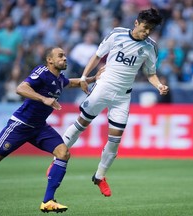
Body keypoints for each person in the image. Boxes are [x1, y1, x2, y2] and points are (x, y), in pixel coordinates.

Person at [0, 47, 100, 213]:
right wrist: (44, 98)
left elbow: (73, 83)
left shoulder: (59, 79)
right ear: (50, 60)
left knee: (63, 153)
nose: (65, 58)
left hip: (39, 127)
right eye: (60, 56)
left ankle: (48, 201)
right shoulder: (42, 71)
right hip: (20, 125)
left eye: (65, 56)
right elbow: (21, 88)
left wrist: (94, 78)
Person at [60, 8, 169, 197]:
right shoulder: (117, 34)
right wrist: (84, 77)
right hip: (102, 88)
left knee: (115, 140)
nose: (147, 32)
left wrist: (159, 85)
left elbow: (150, 73)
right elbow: (97, 55)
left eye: (151, 29)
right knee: (81, 124)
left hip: (123, 97)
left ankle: (100, 176)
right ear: (136, 23)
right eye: (145, 28)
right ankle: (57, 160)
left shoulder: (151, 47)